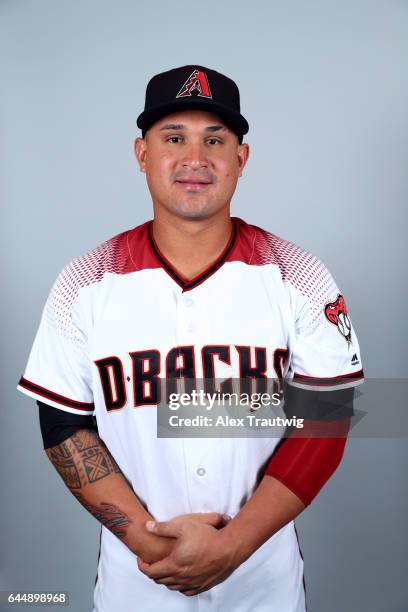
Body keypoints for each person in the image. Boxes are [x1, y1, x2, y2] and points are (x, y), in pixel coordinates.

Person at [17, 65, 364, 612]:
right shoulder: (83, 283)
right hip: (136, 583)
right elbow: (63, 426)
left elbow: (327, 421)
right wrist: (144, 540)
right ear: (142, 154)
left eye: (215, 140)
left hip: (263, 584)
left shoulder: (299, 275)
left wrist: (233, 546)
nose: (194, 159)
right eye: (174, 138)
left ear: (241, 159)